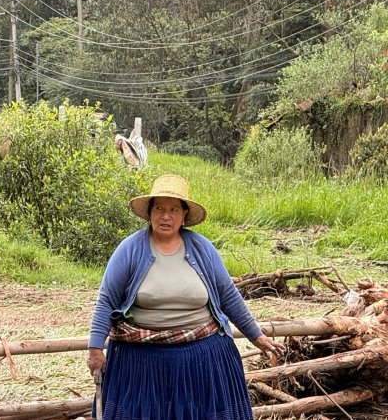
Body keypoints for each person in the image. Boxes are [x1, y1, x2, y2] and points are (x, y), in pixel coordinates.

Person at [87, 173, 286, 420]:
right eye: (159, 208)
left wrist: (256, 335)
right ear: (149, 213)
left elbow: (228, 296)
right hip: (141, 360)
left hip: (201, 357)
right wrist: (95, 347)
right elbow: (107, 299)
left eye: (173, 209)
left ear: (184, 217)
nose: (166, 216)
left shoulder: (202, 249)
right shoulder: (129, 249)